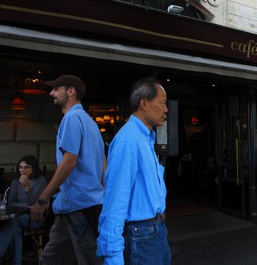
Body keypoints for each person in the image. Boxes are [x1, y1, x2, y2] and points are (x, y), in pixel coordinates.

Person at [30, 75, 105, 265]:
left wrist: (43, 197)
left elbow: (69, 161)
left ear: (71, 91)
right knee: (51, 259)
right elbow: (103, 163)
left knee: (88, 260)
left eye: (56, 89)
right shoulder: (90, 122)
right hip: (78, 205)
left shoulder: (71, 118)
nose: (51, 93)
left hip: (78, 206)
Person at [97, 76, 170, 265]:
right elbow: (115, 199)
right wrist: (112, 255)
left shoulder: (145, 138)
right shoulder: (128, 140)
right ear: (144, 103)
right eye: (162, 103)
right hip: (142, 235)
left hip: (155, 231)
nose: (166, 109)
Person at [0, 155, 46, 264]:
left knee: (12, 221)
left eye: (26, 167)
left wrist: (27, 187)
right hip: (18, 216)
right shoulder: (16, 181)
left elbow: (34, 204)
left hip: (35, 218)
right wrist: (25, 207)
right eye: (20, 167)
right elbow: (10, 203)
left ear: (33, 168)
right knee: (14, 227)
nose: (23, 170)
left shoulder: (40, 181)